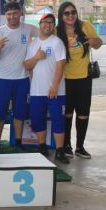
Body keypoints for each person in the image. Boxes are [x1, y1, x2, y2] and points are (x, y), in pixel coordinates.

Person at [0, 2, 39, 153]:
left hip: (22, 78)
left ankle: (18, 142)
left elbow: (44, 35)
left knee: (20, 112)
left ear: (20, 13)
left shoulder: (29, 28)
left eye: (15, 13)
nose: (12, 17)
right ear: (5, 15)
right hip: (2, 79)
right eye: (9, 14)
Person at [56, 1, 102, 159]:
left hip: (84, 78)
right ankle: (67, 145)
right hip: (65, 79)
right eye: (66, 13)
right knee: (67, 114)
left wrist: (96, 42)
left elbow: (98, 44)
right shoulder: (57, 32)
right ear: (61, 16)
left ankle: (80, 146)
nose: (70, 16)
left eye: (73, 12)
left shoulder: (86, 26)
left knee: (83, 113)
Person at [25, 13, 69, 164]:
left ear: (53, 26)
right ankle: (42, 146)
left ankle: (60, 151)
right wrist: (37, 57)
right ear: (40, 24)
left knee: (58, 120)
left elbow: (61, 64)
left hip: (56, 91)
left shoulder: (57, 42)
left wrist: (55, 86)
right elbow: (26, 65)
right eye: (45, 22)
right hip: (37, 90)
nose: (48, 25)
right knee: (37, 120)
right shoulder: (32, 44)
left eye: (51, 22)